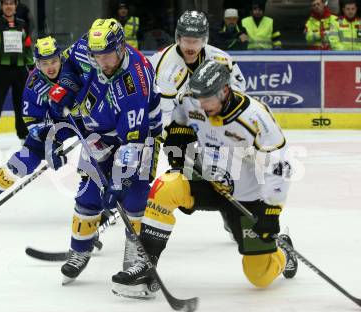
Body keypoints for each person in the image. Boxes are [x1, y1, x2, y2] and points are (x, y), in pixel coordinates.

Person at [111, 59, 298, 299]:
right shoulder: (194, 100)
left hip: (245, 197)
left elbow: (280, 165)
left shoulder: (255, 117)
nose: (202, 104)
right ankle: (146, 265)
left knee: (258, 276)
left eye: (208, 98)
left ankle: (283, 251)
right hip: (206, 179)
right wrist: (179, 136)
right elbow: (180, 118)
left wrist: (270, 210)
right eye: (199, 98)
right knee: (165, 188)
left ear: (225, 91)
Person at [46, 18, 162, 283]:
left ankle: (136, 260)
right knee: (88, 193)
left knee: (134, 197)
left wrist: (119, 181)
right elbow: (67, 65)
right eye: (98, 55)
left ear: (121, 48)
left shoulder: (135, 81)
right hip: (99, 132)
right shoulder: (86, 47)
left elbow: (132, 142)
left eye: (108, 55)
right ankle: (80, 252)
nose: (103, 61)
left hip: (139, 136)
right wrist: (66, 87)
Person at [0, 36, 71, 216]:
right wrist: (49, 146)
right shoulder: (33, 86)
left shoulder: (73, 71)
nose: (51, 67)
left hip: (85, 123)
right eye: (45, 63)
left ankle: (106, 205)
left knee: (98, 157)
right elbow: (33, 123)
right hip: (51, 131)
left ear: (60, 58)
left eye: (54, 61)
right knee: (20, 164)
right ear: (37, 64)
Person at [149, 10, 246, 127]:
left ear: (204, 39)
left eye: (195, 41)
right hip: (178, 119)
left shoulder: (221, 58)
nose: (190, 47)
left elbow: (240, 89)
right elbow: (165, 112)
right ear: (178, 38)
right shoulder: (164, 64)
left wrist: (217, 100)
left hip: (213, 115)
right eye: (186, 41)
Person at [0, 0, 33, 146]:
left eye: (11, 3)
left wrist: (31, 67)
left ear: (16, 6)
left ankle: (24, 133)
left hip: (20, 71)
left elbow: (28, 48)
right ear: (2, 6)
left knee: (22, 104)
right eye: (6, 3)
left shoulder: (23, 25)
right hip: (0, 71)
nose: (9, 6)